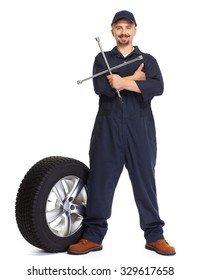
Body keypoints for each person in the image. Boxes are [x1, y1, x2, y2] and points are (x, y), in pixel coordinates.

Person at [67, 10, 175, 256]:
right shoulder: (102, 58)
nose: (124, 32)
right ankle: (93, 236)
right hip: (108, 127)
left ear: (135, 30)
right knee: (100, 181)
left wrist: (122, 82)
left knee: (145, 182)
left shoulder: (147, 60)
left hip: (140, 128)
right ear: (112, 31)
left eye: (128, 27)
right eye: (119, 27)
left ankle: (155, 236)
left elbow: (158, 86)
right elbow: (100, 87)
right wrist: (136, 80)